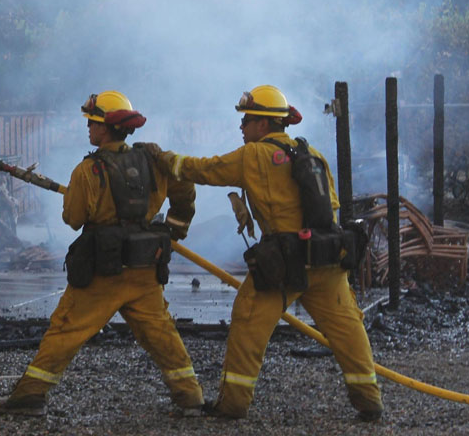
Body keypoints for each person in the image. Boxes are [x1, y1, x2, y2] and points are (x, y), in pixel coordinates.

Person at [147, 85, 383, 422]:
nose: (241, 127)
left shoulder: (253, 155)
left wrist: (163, 158)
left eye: (247, 120)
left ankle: (232, 405)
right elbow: (331, 205)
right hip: (328, 260)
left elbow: (203, 169)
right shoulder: (312, 153)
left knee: (247, 324)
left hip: (284, 266)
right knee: (348, 330)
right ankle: (370, 401)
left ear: (263, 124)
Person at [0, 90, 204, 417]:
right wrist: (175, 228)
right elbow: (185, 186)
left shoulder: (88, 171)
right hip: (145, 269)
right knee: (161, 333)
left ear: (105, 128)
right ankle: (190, 397)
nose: (88, 128)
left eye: (92, 122)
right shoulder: (153, 161)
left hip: (103, 273)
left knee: (65, 331)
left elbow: (74, 218)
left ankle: (29, 397)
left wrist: (78, 200)